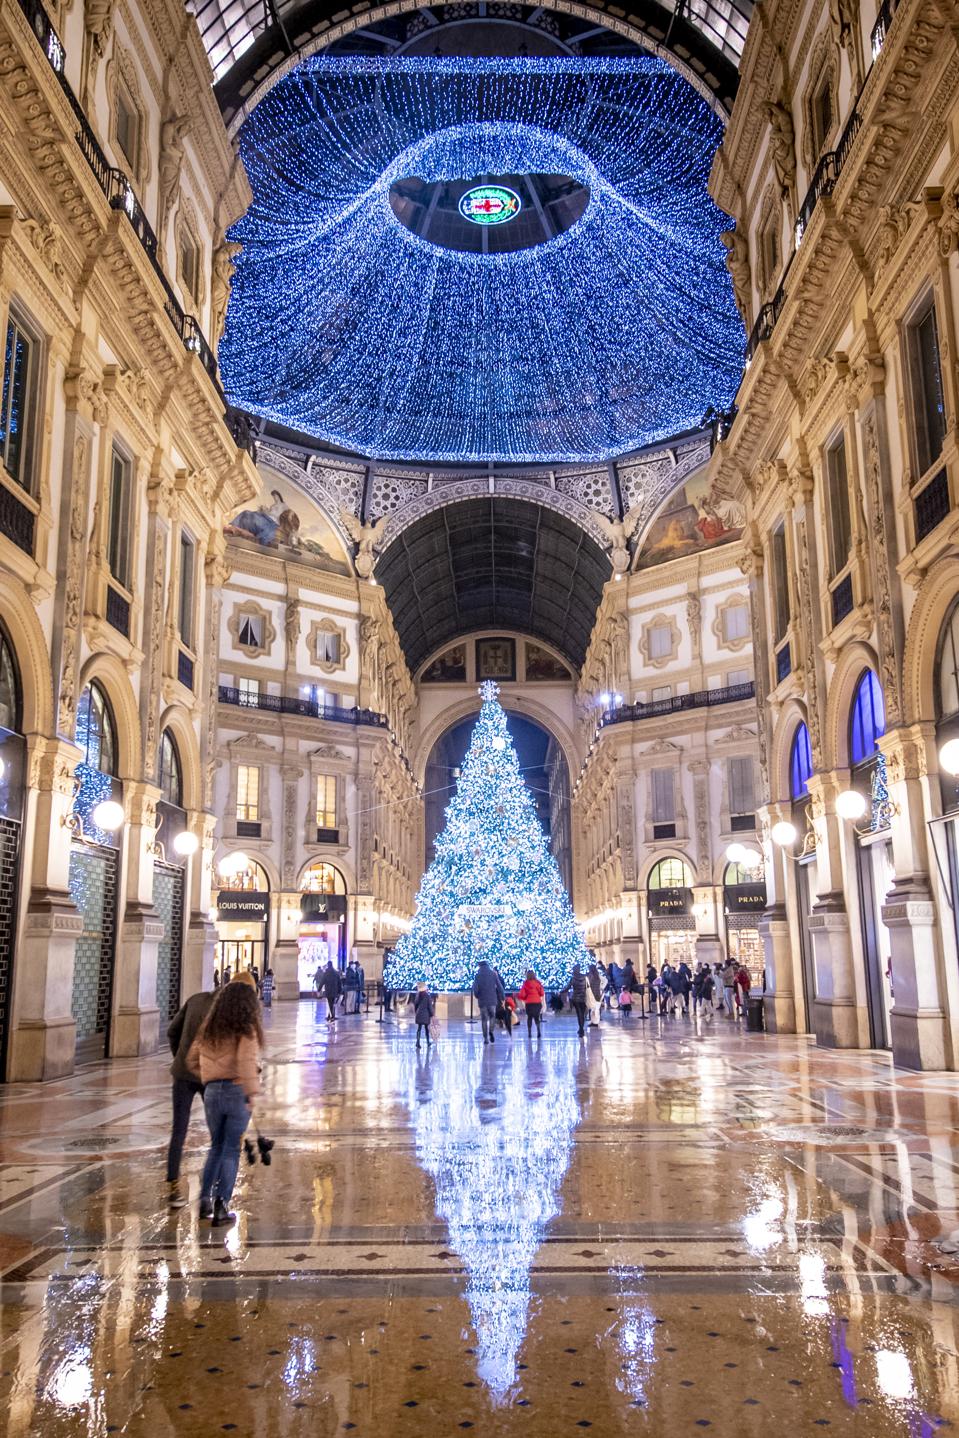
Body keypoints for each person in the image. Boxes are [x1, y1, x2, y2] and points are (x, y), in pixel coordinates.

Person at [194, 980, 263, 1227]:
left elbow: (193, 1058)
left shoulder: (210, 1027)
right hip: (236, 1090)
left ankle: (203, 1200)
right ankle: (222, 1205)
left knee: (215, 1146)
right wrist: (252, 1092)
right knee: (231, 1149)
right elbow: (246, 1062)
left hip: (212, 1092)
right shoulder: (246, 1028)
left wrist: (208, 1080)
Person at [165, 986, 215, 1208]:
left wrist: (180, 1057)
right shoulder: (222, 1008)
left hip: (182, 1074)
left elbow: (172, 1031)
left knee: (178, 1131)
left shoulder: (194, 998)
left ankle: (173, 1187)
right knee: (218, 1132)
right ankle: (208, 1187)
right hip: (207, 1075)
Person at [472, 960, 505, 1044]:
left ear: (480, 966)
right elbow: (499, 986)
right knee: (492, 1017)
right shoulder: (493, 974)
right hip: (492, 1000)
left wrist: (477, 995)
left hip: (482, 1000)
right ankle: (491, 1031)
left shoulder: (478, 975)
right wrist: (502, 996)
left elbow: (475, 989)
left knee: (484, 1019)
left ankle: (486, 1039)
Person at [518, 969, 545, 1037]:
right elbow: (541, 993)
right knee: (537, 1017)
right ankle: (538, 1031)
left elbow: (522, 994)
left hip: (529, 1003)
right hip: (537, 1003)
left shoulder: (525, 984)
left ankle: (529, 1033)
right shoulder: (538, 983)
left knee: (529, 1017)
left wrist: (525, 998)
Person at [565, 964, 589, 1037]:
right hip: (584, 998)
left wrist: (561, 992)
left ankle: (581, 1029)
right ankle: (581, 1028)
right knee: (583, 1013)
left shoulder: (573, 978)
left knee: (579, 1014)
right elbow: (588, 987)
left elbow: (567, 988)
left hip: (576, 998)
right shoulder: (585, 978)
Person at [410, 983, 435, 1049]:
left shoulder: (418, 995)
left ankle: (417, 1042)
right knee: (426, 1029)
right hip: (426, 1014)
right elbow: (429, 1006)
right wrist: (432, 1014)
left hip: (419, 1013)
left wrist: (416, 1012)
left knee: (419, 1028)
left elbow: (416, 1004)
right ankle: (428, 1042)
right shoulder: (427, 996)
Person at [585, 963, 603, 1028]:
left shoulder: (591, 976)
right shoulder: (597, 976)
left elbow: (589, 984)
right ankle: (594, 1021)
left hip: (592, 994)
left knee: (593, 1009)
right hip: (597, 994)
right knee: (595, 1009)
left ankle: (594, 1022)